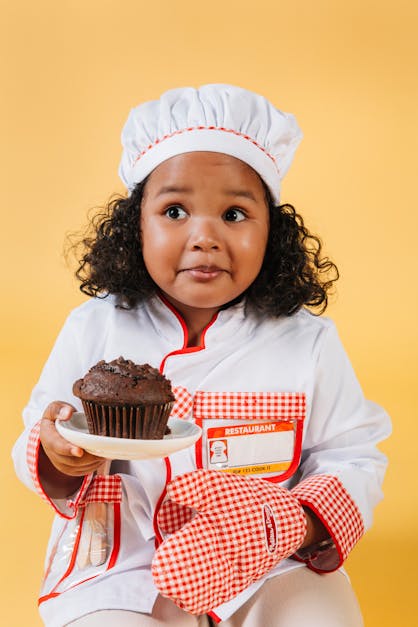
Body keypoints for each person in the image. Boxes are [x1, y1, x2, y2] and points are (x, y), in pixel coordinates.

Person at [12, 84, 391, 627]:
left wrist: (292, 522)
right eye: (174, 210)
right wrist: (58, 454)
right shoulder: (94, 326)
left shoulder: (307, 341)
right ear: (134, 227)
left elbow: (353, 456)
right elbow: (43, 426)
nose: (205, 236)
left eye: (235, 214)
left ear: (273, 232)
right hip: (122, 561)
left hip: (266, 563)